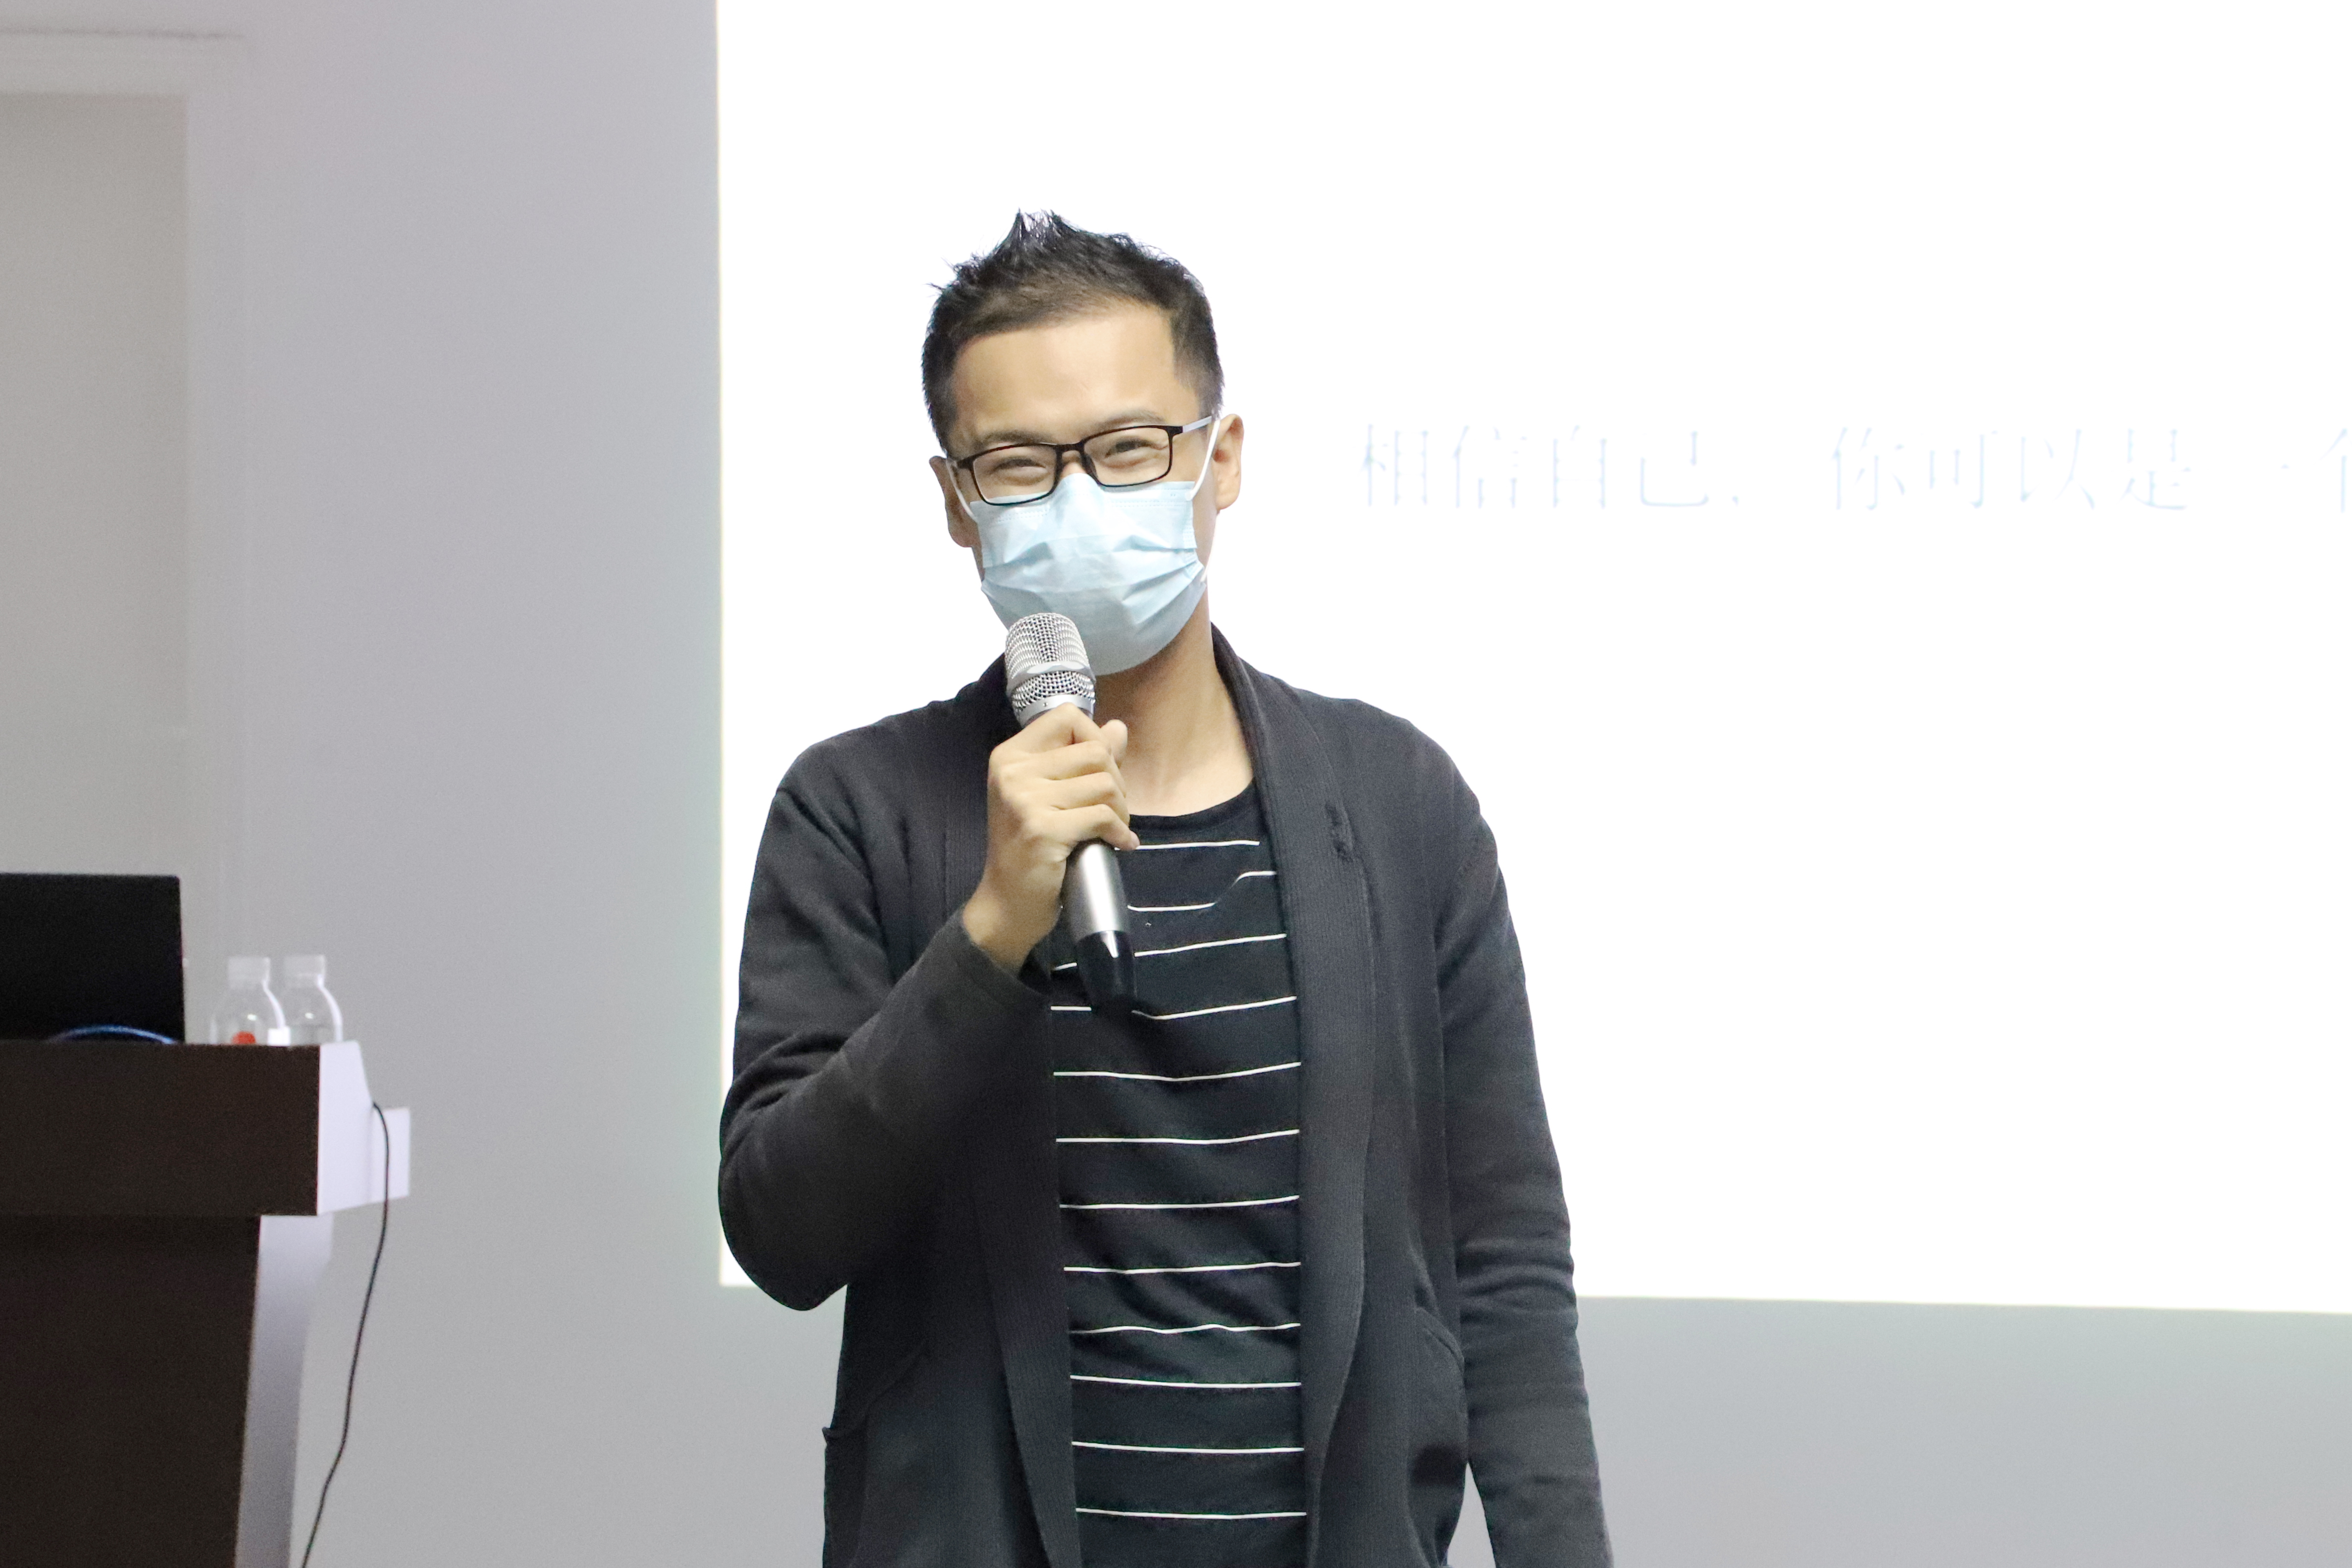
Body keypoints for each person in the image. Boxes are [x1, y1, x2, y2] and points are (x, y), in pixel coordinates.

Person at [720, 212, 1610, 1568]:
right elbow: (783, 1233)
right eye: (1020, 465)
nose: (1080, 501)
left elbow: (1506, 1263)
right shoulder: (856, 809)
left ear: (1221, 459)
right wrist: (989, 936)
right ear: (957, 502)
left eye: (1131, 450)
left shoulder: (1399, 802)